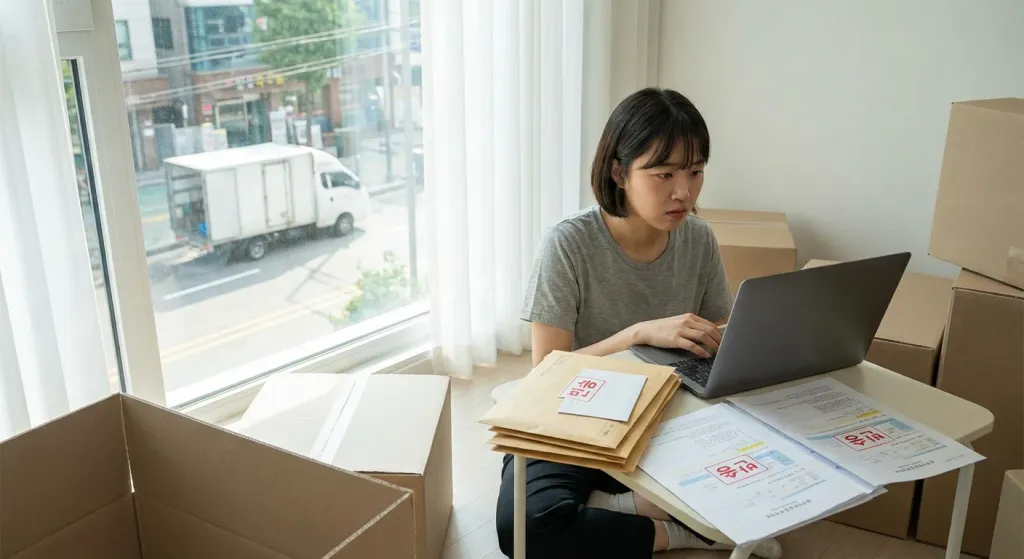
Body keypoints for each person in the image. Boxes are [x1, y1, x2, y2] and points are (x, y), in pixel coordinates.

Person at [494, 87, 784, 559]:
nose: (683, 191)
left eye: (695, 173)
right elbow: (545, 372)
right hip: (578, 418)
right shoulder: (568, 245)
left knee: (783, 467)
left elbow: (722, 338)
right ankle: (677, 528)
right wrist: (638, 334)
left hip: (667, 417)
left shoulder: (699, 239)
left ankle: (622, 507)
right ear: (618, 171)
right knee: (525, 529)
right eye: (664, 173)